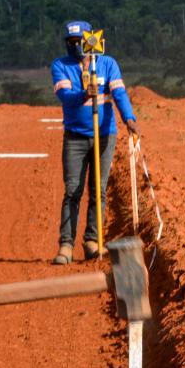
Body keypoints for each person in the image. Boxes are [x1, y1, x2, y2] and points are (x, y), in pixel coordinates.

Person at [50, 20, 139, 265]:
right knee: (72, 191)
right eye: (70, 42)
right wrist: (83, 94)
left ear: (90, 39)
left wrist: (128, 118)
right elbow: (64, 96)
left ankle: (92, 240)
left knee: (98, 190)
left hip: (105, 135)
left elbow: (119, 93)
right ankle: (66, 245)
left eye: (79, 41)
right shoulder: (60, 65)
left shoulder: (107, 64)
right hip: (76, 137)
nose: (75, 46)